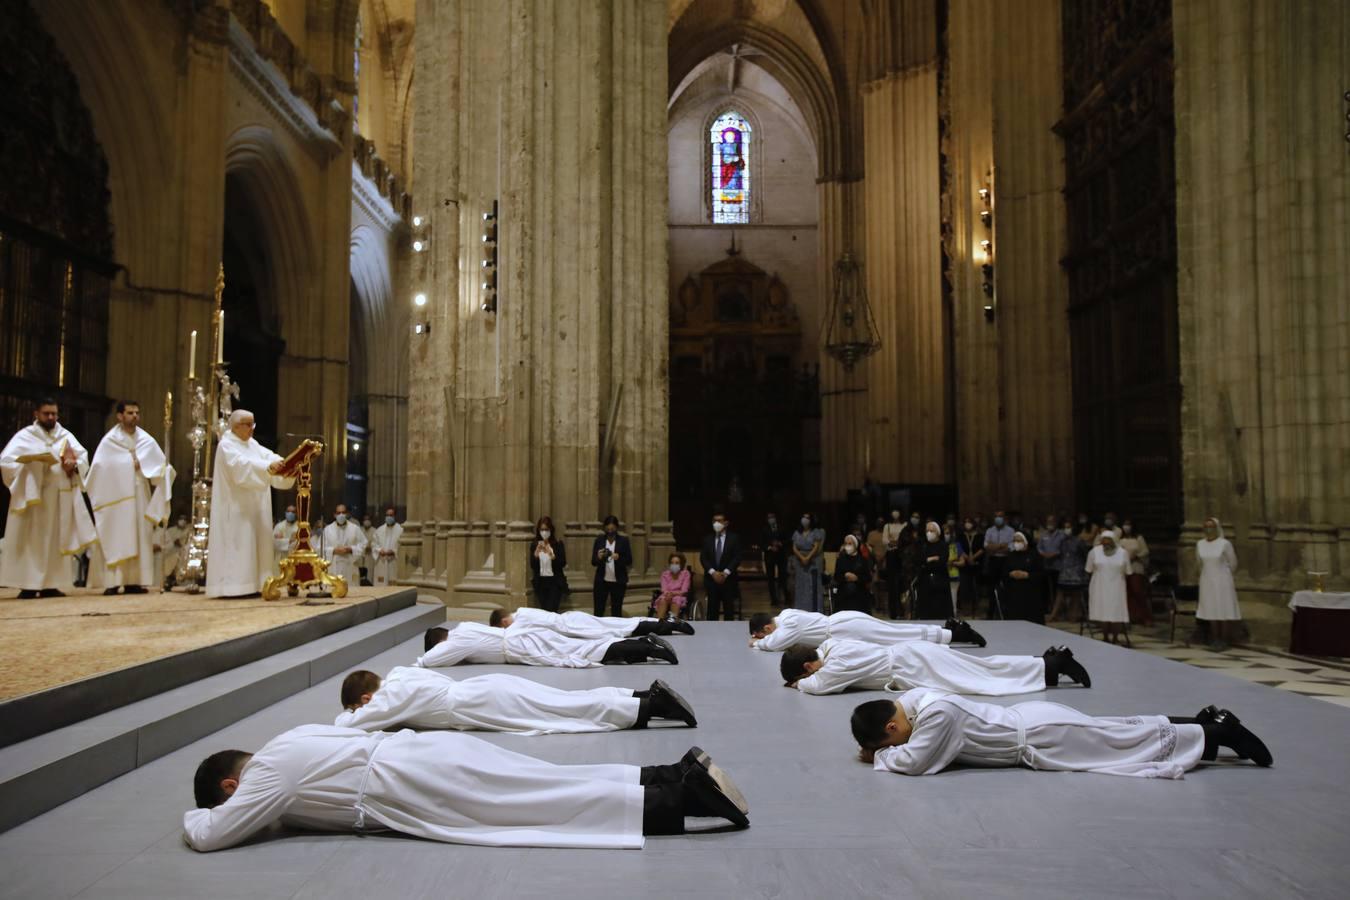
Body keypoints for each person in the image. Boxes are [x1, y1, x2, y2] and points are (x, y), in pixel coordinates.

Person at [185, 730, 749, 851]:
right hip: (417, 755)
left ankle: (687, 799)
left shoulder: (264, 775)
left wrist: (194, 817)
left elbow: (212, 835)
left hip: (406, 782)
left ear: (232, 784)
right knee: (541, 781)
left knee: (539, 806)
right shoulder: (290, 739)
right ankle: (670, 775)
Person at [850, 691, 1272, 776]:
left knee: (1122, 746)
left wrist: (880, 757)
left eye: (890, 740)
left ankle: (1218, 733)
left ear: (892, 726)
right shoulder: (914, 700)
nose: (896, 745)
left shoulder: (937, 714)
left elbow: (915, 761)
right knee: (1118, 731)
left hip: (1041, 734)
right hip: (1033, 723)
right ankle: (1198, 721)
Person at [335, 666, 696, 734]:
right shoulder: (400, 675)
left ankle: (650, 707)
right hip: (485, 688)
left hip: (481, 703)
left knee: (562, 713)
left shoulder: (390, 696)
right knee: (562, 700)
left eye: (360, 705)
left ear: (367, 697)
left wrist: (350, 715)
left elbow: (351, 726)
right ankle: (641, 696)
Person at [0, 398, 95, 598]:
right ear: (36, 414)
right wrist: (30, 462)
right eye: (47, 414)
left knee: (55, 539)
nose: (51, 417)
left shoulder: (65, 436)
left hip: (58, 498)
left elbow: (83, 458)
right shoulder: (25, 436)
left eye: (54, 413)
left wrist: (74, 464)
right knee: (31, 540)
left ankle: (52, 583)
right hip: (32, 499)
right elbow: (6, 461)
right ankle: (29, 585)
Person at [779, 639, 1090, 695]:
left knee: (982, 678)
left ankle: (1051, 664)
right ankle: (1048, 666)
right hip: (914, 658)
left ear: (808, 665)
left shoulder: (837, 661)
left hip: (915, 664)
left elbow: (821, 686)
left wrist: (799, 685)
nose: (812, 675)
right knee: (982, 669)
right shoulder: (835, 646)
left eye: (807, 672)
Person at [86, 400, 175, 595]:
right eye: (129, 413)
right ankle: (113, 581)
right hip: (116, 497)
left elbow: (160, 466)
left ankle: (135, 581)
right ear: (119, 416)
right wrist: (128, 464)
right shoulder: (110, 441)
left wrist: (164, 470)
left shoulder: (146, 440)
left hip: (139, 492)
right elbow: (99, 469)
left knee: (140, 535)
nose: (134, 416)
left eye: (136, 412)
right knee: (118, 534)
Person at [205, 410, 294, 598]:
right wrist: (267, 468)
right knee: (240, 544)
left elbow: (268, 456)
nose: (251, 429)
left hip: (255, 508)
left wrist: (285, 464)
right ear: (235, 426)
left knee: (257, 544)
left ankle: (257, 584)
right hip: (236, 508)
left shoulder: (252, 444)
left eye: (253, 424)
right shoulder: (226, 445)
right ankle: (235, 587)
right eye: (247, 424)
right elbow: (241, 466)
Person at [418, 622, 679, 668]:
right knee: (581, 647)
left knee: (584, 652)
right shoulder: (464, 627)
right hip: (524, 636)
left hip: (522, 646)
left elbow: (431, 660)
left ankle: (646, 647)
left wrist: (418, 662)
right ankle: (641, 646)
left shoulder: (455, 641)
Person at [748, 609, 985, 651]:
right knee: (896, 632)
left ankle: (956, 634)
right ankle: (946, 630)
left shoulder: (788, 624)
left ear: (768, 627)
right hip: (845, 624)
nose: (764, 637)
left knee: (897, 636)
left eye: (762, 633)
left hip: (846, 630)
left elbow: (776, 643)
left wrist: (758, 643)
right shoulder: (787, 613)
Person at [493, 606, 692, 638]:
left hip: (574, 624)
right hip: (572, 619)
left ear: (504, 621)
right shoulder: (521, 611)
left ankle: (669, 624)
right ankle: (665, 623)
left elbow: (509, 634)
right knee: (619, 625)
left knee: (622, 628)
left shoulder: (520, 619)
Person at [1196, 517, 1241, 649]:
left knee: (1223, 608)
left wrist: (1223, 574)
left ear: (1217, 528)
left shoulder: (1224, 544)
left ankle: (1224, 639)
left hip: (1222, 580)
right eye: (1206, 527)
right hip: (1207, 580)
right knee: (1211, 609)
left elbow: (1233, 563)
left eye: (1211, 526)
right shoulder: (1200, 544)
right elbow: (1199, 563)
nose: (1209, 529)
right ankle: (1215, 638)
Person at [1086, 530, 1130, 643]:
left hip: (1117, 586)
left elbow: (1128, 571)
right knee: (1102, 611)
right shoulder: (1094, 552)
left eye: (1108, 541)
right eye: (1103, 541)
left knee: (1116, 611)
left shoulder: (1123, 553)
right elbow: (1089, 569)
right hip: (1099, 586)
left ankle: (1115, 637)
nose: (1105, 544)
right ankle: (1105, 636)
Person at [699, 512, 742, 621]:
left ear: (726, 523)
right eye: (714, 521)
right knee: (712, 611)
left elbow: (737, 557)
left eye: (719, 521)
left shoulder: (734, 538)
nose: (716, 523)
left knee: (729, 611)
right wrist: (713, 572)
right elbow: (703, 558)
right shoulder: (707, 539)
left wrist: (725, 573)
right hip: (711, 580)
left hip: (728, 580)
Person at [591, 515, 631, 617]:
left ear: (616, 528)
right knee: (599, 609)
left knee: (616, 610)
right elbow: (593, 562)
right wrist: (599, 557)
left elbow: (629, 560)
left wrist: (618, 557)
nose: (610, 531)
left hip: (618, 581)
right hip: (602, 581)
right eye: (608, 529)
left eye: (612, 529)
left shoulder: (623, 541)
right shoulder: (599, 540)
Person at [999, 532, 1043, 622]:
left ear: (1026, 542)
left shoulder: (1034, 555)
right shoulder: (1011, 555)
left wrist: (1027, 575)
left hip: (1030, 594)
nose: (1016, 543)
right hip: (1013, 593)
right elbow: (1003, 573)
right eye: (1014, 541)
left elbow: (1041, 574)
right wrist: (1011, 574)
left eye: (1019, 540)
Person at [527, 515, 567, 612]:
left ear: (551, 530)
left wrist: (552, 555)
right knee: (544, 611)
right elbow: (532, 565)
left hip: (554, 582)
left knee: (552, 610)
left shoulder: (557, 544)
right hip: (541, 583)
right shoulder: (535, 544)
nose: (544, 532)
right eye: (542, 529)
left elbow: (563, 563)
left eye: (546, 529)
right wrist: (536, 555)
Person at [1050, 519, 1088, 622]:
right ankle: (1054, 614)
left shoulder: (1079, 541)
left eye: (1069, 527)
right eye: (1065, 527)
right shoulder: (1062, 541)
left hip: (1077, 571)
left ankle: (1073, 615)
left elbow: (1085, 554)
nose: (1067, 530)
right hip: (1064, 570)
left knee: (1076, 594)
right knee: (1060, 593)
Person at [321, 504, 368, 586]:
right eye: (338, 513)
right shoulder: (328, 529)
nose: (341, 515)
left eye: (343, 512)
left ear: (347, 514)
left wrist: (351, 549)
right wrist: (333, 550)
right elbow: (320, 547)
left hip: (350, 564)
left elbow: (364, 543)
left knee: (351, 590)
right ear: (334, 514)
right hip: (334, 565)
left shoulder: (354, 528)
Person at [913, 522, 951, 619]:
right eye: (927, 531)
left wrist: (927, 561)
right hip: (924, 581)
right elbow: (918, 560)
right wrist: (932, 559)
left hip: (940, 581)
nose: (929, 533)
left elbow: (942, 561)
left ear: (938, 532)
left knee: (940, 611)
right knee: (925, 612)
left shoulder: (943, 545)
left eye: (931, 531)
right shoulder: (922, 545)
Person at [789, 512, 825, 612]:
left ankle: (814, 610)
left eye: (807, 518)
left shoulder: (816, 532)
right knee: (801, 586)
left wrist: (808, 557)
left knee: (812, 586)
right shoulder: (797, 532)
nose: (805, 519)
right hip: (799, 562)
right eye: (803, 517)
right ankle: (800, 609)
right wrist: (801, 557)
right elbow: (794, 547)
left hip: (812, 561)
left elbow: (816, 546)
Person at [1119, 518, 1152, 625]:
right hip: (1124, 569)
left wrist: (1136, 556)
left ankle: (1145, 617)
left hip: (1136, 567)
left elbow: (1145, 551)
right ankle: (1132, 617)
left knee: (1138, 592)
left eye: (1128, 524)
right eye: (1124, 524)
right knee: (1127, 593)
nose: (1126, 527)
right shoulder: (1120, 539)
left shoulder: (1138, 538)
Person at [831, 534, 872, 613]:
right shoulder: (841, 559)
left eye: (850, 544)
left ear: (855, 545)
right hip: (844, 590)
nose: (847, 546)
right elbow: (836, 577)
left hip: (859, 590)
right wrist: (845, 576)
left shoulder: (862, 560)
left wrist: (857, 578)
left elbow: (868, 578)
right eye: (846, 544)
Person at [1036, 514, 1066, 619]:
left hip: (1058, 566)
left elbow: (1065, 548)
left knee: (1057, 589)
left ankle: (1058, 611)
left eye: (1052, 522)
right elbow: (1039, 547)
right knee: (1045, 589)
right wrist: (1043, 554)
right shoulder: (1043, 534)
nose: (1050, 524)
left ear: (1056, 523)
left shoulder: (1062, 535)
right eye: (1048, 522)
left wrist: (1055, 554)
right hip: (1046, 565)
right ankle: (1047, 609)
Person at [954, 517, 984, 617]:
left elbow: (982, 548)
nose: (967, 524)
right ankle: (965, 609)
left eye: (969, 522)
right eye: (966, 522)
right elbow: (958, 548)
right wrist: (967, 558)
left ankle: (976, 609)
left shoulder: (980, 536)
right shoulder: (960, 536)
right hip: (965, 565)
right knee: (964, 588)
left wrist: (973, 558)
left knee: (976, 588)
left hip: (976, 565)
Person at [370, 507, 403, 587]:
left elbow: (402, 546)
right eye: (387, 515)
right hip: (381, 562)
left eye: (391, 515)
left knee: (393, 586)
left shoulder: (401, 530)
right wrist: (379, 550)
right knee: (380, 585)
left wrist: (394, 551)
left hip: (393, 562)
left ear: (395, 516)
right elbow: (374, 544)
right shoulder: (379, 530)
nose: (389, 517)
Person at [760, 513, 788, 606]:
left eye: (772, 517)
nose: (771, 519)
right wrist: (769, 547)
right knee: (770, 579)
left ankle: (786, 597)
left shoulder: (782, 527)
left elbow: (787, 540)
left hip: (781, 556)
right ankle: (774, 599)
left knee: (783, 578)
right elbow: (761, 543)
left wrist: (780, 544)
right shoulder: (764, 529)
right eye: (769, 518)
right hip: (770, 557)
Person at [982, 510, 1015, 588]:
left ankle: (1006, 600)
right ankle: (993, 600)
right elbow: (986, 546)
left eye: (1000, 516)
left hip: (1006, 560)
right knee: (993, 584)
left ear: (1004, 518)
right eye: (996, 516)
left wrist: (993, 547)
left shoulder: (1011, 530)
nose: (998, 518)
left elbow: (1011, 547)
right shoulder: (989, 530)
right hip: (993, 560)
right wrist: (1001, 545)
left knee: (1006, 583)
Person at [882, 510, 905, 618]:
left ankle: (903, 611)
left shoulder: (905, 525)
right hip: (891, 556)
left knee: (902, 584)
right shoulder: (887, 526)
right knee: (893, 585)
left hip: (902, 556)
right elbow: (885, 540)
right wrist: (894, 542)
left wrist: (898, 542)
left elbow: (905, 539)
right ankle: (894, 612)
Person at [656, 552, 690, 622]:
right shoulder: (665, 574)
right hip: (667, 595)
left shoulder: (685, 574)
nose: (674, 565)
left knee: (676, 600)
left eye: (677, 563)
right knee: (663, 600)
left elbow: (684, 590)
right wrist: (668, 594)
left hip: (679, 595)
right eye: (672, 563)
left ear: (681, 564)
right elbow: (664, 589)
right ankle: (659, 623)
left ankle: (673, 623)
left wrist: (673, 594)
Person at [161, 514, 189, 589]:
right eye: (181, 519)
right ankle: (169, 581)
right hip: (171, 554)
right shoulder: (170, 530)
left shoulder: (189, 530)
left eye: (184, 519)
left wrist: (181, 543)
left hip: (185, 554)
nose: (182, 521)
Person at [359, 515, 376, 585]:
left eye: (368, 519)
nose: (366, 521)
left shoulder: (375, 531)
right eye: (365, 520)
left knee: (369, 575)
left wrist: (371, 546)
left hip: (370, 556)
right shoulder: (360, 530)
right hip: (361, 556)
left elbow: (376, 543)